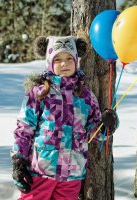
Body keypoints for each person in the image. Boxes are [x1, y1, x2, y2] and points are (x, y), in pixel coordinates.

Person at [11, 36, 119, 200]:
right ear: (49, 62)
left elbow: (93, 132)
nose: (64, 63)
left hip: (72, 173)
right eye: (58, 59)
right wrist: (19, 160)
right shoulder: (40, 93)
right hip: (42, 171)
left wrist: (105, 127)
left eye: (69, 58)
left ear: (76, 60)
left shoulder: (85, 96)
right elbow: (24, 129)